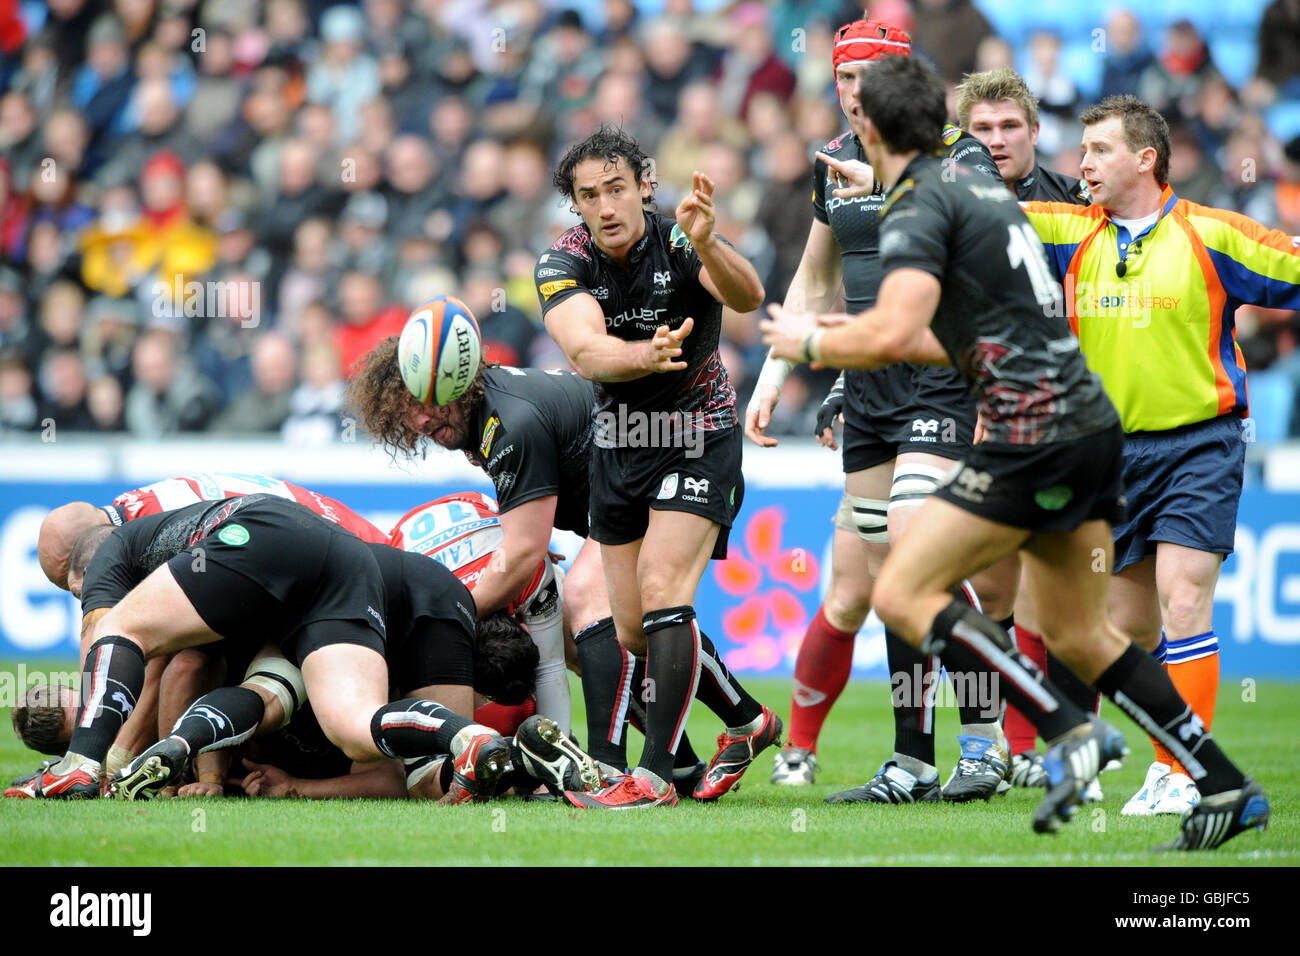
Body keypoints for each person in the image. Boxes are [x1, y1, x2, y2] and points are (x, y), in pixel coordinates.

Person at [761, 54, 1269, 851]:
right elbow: (949, 338)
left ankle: (1069, 730)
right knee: (1082, 634)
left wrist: (813, 339)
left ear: (873, 128)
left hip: (1030, 433)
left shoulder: (928, 203)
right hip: (1088, 427)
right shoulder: (975, 192)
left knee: (901, 586)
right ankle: (1225, 783)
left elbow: (899, 333)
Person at [746, 19, 1017, 804]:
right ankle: (913, 759)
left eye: (867, 77)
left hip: (938, 374)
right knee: (887, 573)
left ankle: (986, 740)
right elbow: (814, 282)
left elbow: (985, 254)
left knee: (912, 549)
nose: (853, 92)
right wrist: (772, 376)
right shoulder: (833, 163)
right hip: (865, 385)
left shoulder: (959, 154)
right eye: (843, 78)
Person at [1018, 94, 1300, 818]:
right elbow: (970, 222)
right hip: (1110, 457)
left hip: (1200, 442)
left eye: (1099, 151)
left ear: (1145, 158)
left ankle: (1181, 771)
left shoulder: (1213, 233)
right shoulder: (1061, 229)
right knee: (1123, 628)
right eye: (1080, 152)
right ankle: (1157, 758)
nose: (1082, 166)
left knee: (1183, 600)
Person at [537, 124, 778, 809]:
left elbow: (749, 296)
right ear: (576, 206)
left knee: (666, 592)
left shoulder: (681, 236)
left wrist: (707, 241)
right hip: (618, 445)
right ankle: (748, 721)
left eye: (617, 188)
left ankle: (650, 780)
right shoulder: (563, 262)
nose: (606, 205)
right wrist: (640, 356)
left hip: (699, 435)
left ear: (644, 185)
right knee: (634, 629)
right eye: (590, 195)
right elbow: (584, 350)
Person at [347, 342, 711, 794]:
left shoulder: (505, 421)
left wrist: (466, 606)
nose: (420, 420)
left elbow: (522, 557)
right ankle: (692, 755)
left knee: (592, 613)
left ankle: (607, 767)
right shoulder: (482, 417)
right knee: (618, 632)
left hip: (657, 465)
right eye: (407, 414)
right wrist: (521, 542)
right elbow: (517, 534)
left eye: (426, 403)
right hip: (628, 476)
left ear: (455, 384)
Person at [5, 494, 515, 805]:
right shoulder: (181, 559)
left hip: (263, 534)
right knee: (355, 727)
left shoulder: (109, 555)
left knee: (123, 630)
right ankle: (470, 738)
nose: (81, 599)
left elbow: (104, 638)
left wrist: (100, 758)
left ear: (82, 569)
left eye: (74, 592)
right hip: (339, 563)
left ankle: (78, 766)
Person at [954, 67, 1101, 791]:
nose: (997, 140)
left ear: (1036, 133)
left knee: (1060, 590)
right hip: (954, 409)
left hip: (1053, 415)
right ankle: (990, 746)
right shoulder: (940, 203)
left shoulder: (1075, 207)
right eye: (981, 129)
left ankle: (1062, 745)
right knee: (985, 587)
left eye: (1010, 126)